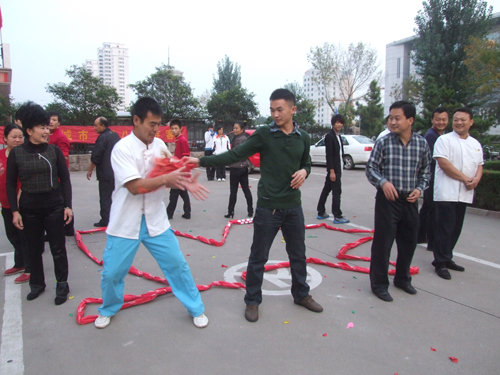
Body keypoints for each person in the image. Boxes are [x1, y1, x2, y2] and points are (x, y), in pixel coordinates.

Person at [187, 88, 323, 323]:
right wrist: (200, 160)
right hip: (268, 207)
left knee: (298, 255)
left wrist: (304, 171)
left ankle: (301, 294)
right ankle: (252, 300)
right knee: (258, 257)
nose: (275, 114)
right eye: (272, 110)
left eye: (280, 109)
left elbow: (307, 164)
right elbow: (234, 155)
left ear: (293, 109)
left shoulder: (304, 137)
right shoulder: (264, 134)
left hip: (293, 208)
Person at [94, 97, 209, 329]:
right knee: (113, 272)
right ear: (136, 121)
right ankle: (108, 308)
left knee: (177, 265)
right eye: (152, 124)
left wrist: (185, 179)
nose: (156, 130)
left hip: (156, 220)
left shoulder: (159, 146)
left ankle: (196, 308)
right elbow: (136, 187)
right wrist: (168, 179)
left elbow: (172, 167)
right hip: (125, 221)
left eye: (159, 124)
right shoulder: (122, 149)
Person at [6, 103, 73, 305]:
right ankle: (37, 284)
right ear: (29, 131)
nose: (46, 131)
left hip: (53, 204)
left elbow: (65, 178)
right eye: (42, 127)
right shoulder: (17, 154)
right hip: (29, 207)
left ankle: (62, 285)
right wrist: (15, 211)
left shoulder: (54, 151)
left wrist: (67, 205)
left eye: (47, 127)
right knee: (33, 248)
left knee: (58, 248)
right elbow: (10, 183)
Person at [365, 101, 431, 302]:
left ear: (410, 120)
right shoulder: (383, 142)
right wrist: (383, 183)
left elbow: (426, 172)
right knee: (383, 244)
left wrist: (420, 189)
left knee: (408, 242)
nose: (392, 122)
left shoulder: (421, 144)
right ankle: (379, 284)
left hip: (410, 201)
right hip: (388, 201)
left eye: (397, 118)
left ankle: (403, 279)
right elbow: (371, 168)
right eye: (390, 118)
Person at [432, 107, 483, 280]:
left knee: (455, 228)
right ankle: (439, 262)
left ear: (471, 122)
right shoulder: (444, 140)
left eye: (463, 120)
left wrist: (475, 180)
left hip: (465, 193)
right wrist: (465, 179)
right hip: (447, 193)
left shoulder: (475, 144)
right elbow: (444, 164)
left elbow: (479, 165)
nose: (459, 122)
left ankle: (447, 258)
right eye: (456, 119)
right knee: (444, 228)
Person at [1, 124, 30, 284]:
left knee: (24, 237)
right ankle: (19, 263)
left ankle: (30, 268)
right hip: (6, 204)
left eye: (21, 137)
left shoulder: (25, 155)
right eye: (14, 137)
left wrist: (18, 201)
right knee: (12, 235)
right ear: (5, 138)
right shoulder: (0, 156)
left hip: (21, 205)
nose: (18, 140)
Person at [417, 107, 449, 250]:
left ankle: (419, 235)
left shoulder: (441, 135)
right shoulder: (431, 136)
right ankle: (431, 240)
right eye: (438, 119)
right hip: (432, 177)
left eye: (444, 119)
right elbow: (435, 159)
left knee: (427, 208)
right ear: (432, 120)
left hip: (435, 177)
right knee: (432, 210)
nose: (441, 122)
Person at [87, 117, 121, 227]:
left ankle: (105, 219)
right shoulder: (115, 136)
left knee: (105, 197)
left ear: (103, 126)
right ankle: (117, 218)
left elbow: (96, 156)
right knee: (116, 196)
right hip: (116, 172)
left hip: (106, 173)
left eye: (96, 125)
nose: (94, 127)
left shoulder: (102, 138)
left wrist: (90, 170)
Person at [316, 114, 350, 224]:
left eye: (341, 123)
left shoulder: (338, 136)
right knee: (336, 191)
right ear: (333, 123)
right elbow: (329, 155)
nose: (339, 125)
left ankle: (321, 211)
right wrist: (332, 171)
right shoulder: (330, 136)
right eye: (337, 122)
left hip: (338, 167)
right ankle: (337, 215)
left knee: (326, 189)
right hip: (334, 169)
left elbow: (339, 153)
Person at [48, 111, 74, 236]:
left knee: (64, 202)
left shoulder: (60, 137)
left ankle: (68, 229)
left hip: (58, 175)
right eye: (49, 119)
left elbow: (64, 156)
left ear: (59, 123)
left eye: (54, 120)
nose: (51, 122)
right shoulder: (47, 135)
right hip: (50, 176)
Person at [225, 121, 253, 218]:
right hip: (244, 167)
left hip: (236, 168)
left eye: (236, 128)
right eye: (234, 128)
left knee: (233, 191)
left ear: (242, 129)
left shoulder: (238, 140)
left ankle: (230, 211)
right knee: (246, 190)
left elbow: (234, 154)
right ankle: (250, 210)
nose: (234, 130)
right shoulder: (245, 138)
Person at [166, 119, 192, 220]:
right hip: (179, 170)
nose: (174, 130)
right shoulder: (178, 140)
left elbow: (185, 157)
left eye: (176, 128)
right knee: (182, 192)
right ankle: (187, 212)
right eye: (172, 128)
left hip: (180, 171)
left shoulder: (182, 140)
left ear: (180, 129)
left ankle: (169, 214)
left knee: (174, 194)